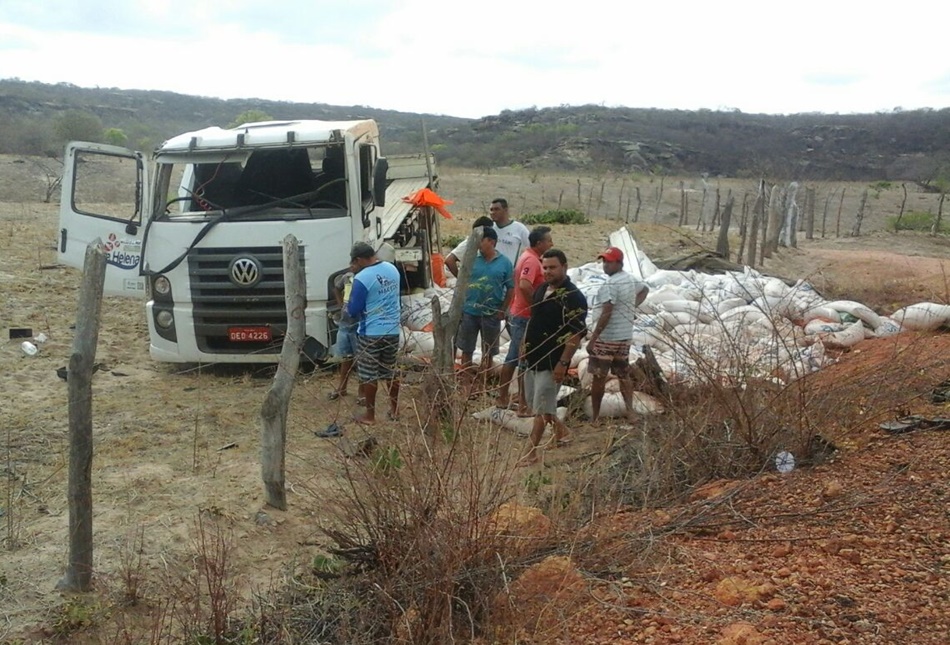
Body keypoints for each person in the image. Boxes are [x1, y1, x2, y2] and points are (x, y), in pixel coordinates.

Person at [518, 249, 588, 466]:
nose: (547, 271)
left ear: (565, 267)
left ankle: (530, 453)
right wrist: (523, 344)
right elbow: (534, 318)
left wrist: (563, 363)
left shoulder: (573, 297)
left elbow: (575, 335)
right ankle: (562, 431)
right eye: (545, 267)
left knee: (541, 407)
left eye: (552, 267)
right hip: (533, 356)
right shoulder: (540, 290)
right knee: (538, 404)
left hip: (552, 360)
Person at [587, 247, 649, 423]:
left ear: (619, 263)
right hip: (624, 337)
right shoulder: (629, 279)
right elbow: (644, 289)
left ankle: (596, 416)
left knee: (599, 377)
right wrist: (630, 308)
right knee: (624, 375)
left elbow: (606, 312)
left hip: (607, 337)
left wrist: (594, 338)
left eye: (609, 262)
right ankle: (630, 412)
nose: (605, 265)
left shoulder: (611, 284)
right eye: (604, 261)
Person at [496, 225, 553, 416]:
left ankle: (505, 397)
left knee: (516, 356)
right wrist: (536, 307)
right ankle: (521, 403)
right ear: (539, 243)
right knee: (520, 358)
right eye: (548, 240)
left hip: (521, 313)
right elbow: (524, 284)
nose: (551, 243)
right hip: (524, 315)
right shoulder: (531, 260)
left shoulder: (532, 258)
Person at [346, 242, 402, 424]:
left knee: (369, 374)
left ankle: (370, 415)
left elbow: (354, 310)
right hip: (392, 329)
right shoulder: (392, 269)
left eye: (355, 261)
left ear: (360, 259)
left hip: (370, 332)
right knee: (390, 371)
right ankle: (394, 410)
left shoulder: (363, 277)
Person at [455, 226, 514, 395]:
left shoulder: (505, 263)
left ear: (491, 242)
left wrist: (503, 309)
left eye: (482, 240)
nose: (478, 244)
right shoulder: (472, 259)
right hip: (469, 311)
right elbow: (461, 280)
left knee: (488, 351)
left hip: (491, 313)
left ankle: (482, 383)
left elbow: (510, 288)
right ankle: (466, 383)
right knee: (467, 348)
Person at [445, 198, 529, 276]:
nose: (493, 212)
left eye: (496, 209)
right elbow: (450, 259)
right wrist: (463, 283)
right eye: (491, 210)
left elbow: (532, 250)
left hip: (507, 280)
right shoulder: (486, 229)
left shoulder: (519, 229)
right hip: (485, 280)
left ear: (506, 210)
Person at [327, 259, 359, 401]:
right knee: (346, 357)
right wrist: (341, 305)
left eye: (354, 264)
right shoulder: (347, 277)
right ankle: (342, 387)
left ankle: (362, 392)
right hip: (345, 322)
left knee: (362, 359)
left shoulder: (364, 278)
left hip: (359, 323)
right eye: (350, 264)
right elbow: (336, 288)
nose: (352, 267)